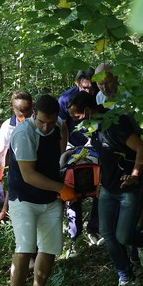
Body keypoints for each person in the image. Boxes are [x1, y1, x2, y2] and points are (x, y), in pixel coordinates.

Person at [67, 91, 143, 286]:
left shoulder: (115, 124)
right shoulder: (95, 128)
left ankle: (142, 240)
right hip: (107, 188)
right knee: (107, 233)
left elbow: (142, 149)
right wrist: (99, 186)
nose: (75, 121)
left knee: (124, 236)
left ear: (88, 111)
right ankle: (126, 276)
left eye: (76, 116)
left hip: (127, 189)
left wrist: (134, 175)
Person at [0, 94, 76, 286]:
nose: (45, 126)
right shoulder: (23, 134)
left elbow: (60, 144)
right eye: (42, 121)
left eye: (50, 122)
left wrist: (60, 175)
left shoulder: (59, 125)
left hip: (49, 198)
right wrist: (62, 188)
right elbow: (29, 175)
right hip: (24, 198)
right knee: (25, 248)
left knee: (50, 247)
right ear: (34, 114)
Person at [93, 63, 143, 264]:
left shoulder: (133, 97)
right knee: (131, 192)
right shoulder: (100, 99)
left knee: (140, 189)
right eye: (100, 84)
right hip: (125, 155)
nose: (104, 87)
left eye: (108, 82)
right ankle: (133, 235)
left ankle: (138, 232)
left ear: (117, 78)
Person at [58, 69, 103, 255]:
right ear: (77, 83)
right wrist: (64, 153)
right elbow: (61, 127)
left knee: (98, 184)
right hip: (73, 146)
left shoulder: (98, 95)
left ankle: (95, 228)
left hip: (96, 143)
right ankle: (74, 237)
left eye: (91, 86)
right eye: (84, 87)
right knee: (72, 188)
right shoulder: (65, 100)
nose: (88, 90)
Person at [0, 91, 34, 221]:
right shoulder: (7, 128)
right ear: (13, 109)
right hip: (19, 174)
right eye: (21, 116)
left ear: (33, 106)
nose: (25, 119)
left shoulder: (42, 121)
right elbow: (0, 153)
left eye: (28, 114)